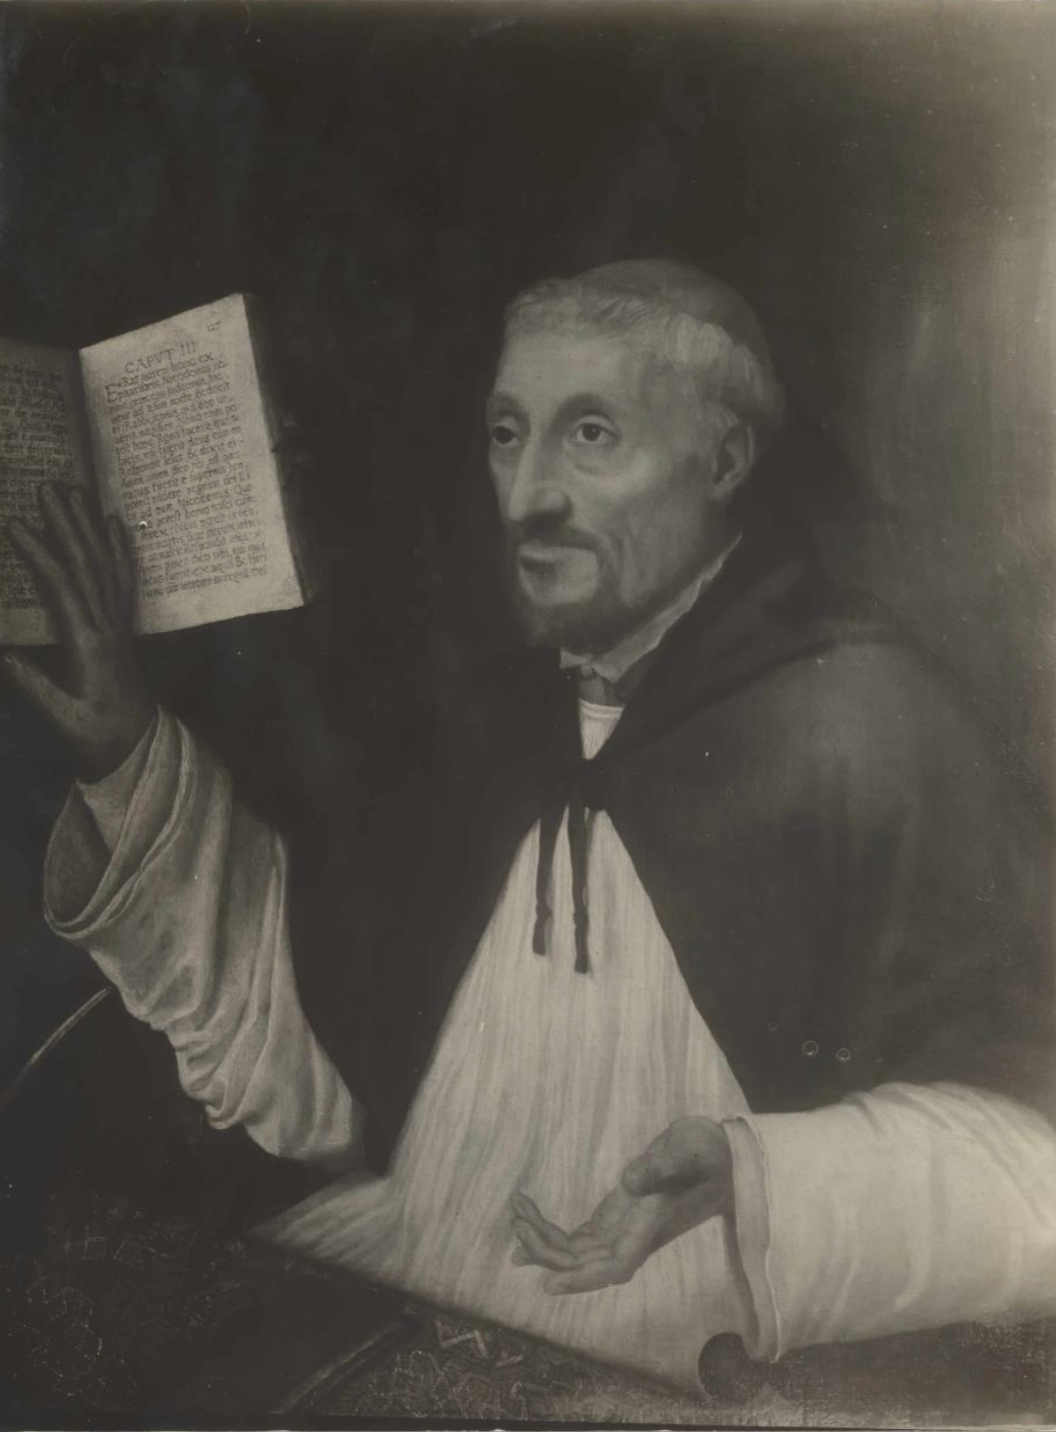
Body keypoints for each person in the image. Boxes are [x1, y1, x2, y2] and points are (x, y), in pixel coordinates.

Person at [5, 258, 1056, 1393]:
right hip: (421, 1311)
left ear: (725, 461)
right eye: (511, 434)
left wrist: (760, 1177)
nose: (529, 494)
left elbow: (1032, 1173)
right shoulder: (507, 739)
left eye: (591, 435)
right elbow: (311, 1089)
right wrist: (122, 749)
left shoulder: (868, 724)